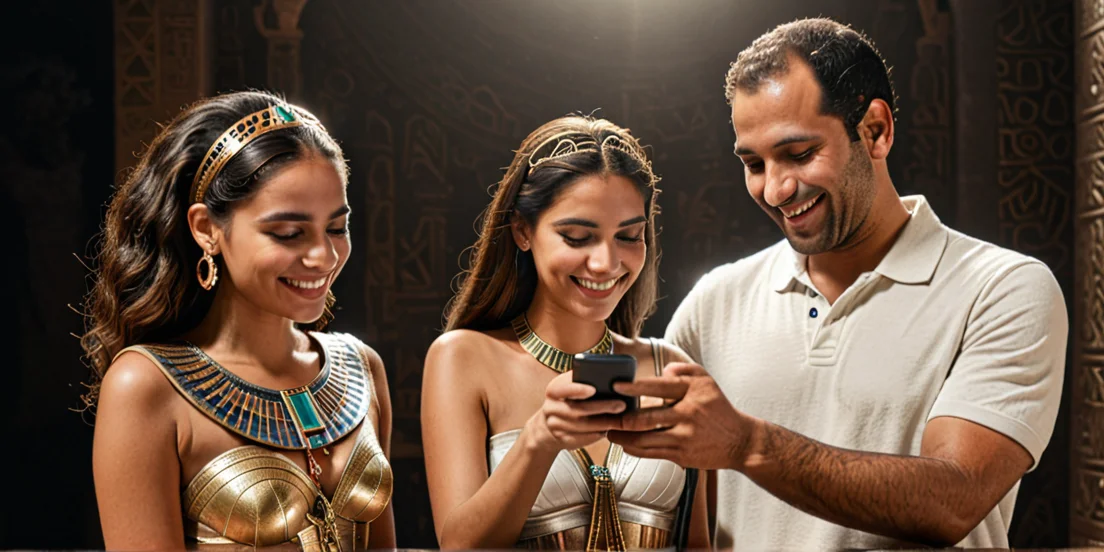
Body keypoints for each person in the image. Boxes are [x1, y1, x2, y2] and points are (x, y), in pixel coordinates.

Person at [606, 17, 1067, 549]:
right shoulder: (717, 299)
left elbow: (953, 499)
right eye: (754, 163)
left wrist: (747, 443)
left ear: (875, 130)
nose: (776, 189)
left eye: (799, 154)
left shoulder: (1004, 290)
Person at [85, 90, 396, 551]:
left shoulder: (362, 368)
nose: (325, 256)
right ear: (207, 228)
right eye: (289, 233)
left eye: (336, 227)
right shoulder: (145, 386)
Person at [421, 115, 710, 549]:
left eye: (629, 236)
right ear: (522, 230)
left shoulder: (671, 369)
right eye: (577, 237)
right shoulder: (463, 358)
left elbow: (698, 544)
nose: (605, 263)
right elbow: (460, 545)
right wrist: (538, 440)